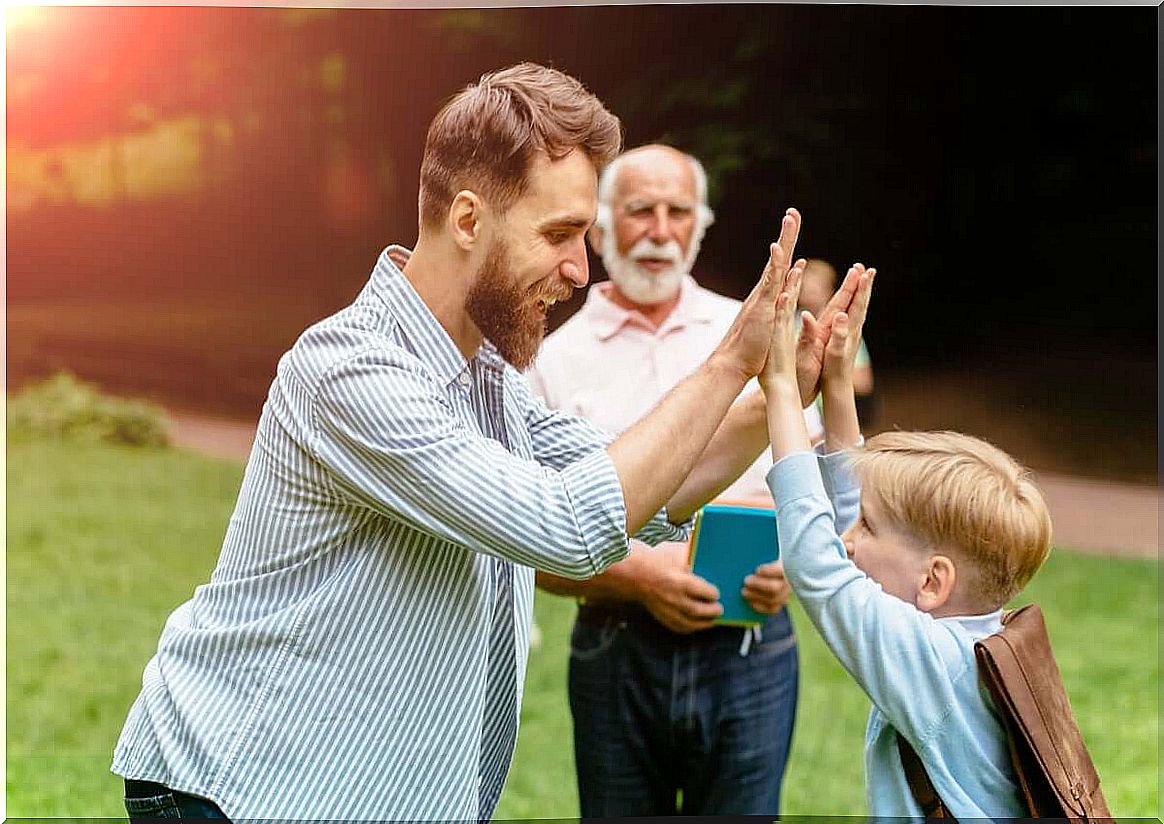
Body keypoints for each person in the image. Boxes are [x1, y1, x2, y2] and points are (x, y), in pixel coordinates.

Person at [110, 63, 812, 822]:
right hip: (241, 788)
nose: (581, 269)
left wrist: (771, 394)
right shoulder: (352, 371)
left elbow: (645, 491)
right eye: (560, 234)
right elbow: (569, 527)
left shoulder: (487, 381)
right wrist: (728, 362)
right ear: (470, 220)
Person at [527, 144, 821, 816]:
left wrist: (789, 558)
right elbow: (530, 541)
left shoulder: (748, 331)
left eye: (678, 211)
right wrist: (639, 576)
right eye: (640, 211)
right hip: (615, 646)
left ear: (700, 225)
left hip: (751, 647)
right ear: (599, 229)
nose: (661, 231)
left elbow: (819, 484)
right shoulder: (553, 361)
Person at [760, 262, 1054, 817]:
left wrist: (780, 390)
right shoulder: (974, 638)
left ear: (933, 580)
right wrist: (838, 383)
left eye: (866, 531)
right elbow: (858, 502)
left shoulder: (934, 663)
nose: (848, 540)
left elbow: (815, 565)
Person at [799, 257, 875, 422]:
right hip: (803, 420)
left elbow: (864, 383)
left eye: (816, 288)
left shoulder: (843, 328)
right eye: (806, 288)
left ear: (830, 291)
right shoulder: (788, 326)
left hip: (835, 419)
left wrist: (826, 369)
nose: (810, 294)